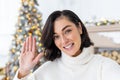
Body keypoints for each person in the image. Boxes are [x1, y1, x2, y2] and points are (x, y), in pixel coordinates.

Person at [13, 10, 120, 80]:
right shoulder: (47, 70)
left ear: (79, 28)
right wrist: (23, 72)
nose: (64, 41)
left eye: (67, 31)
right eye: (56, 36)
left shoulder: (103, 66)